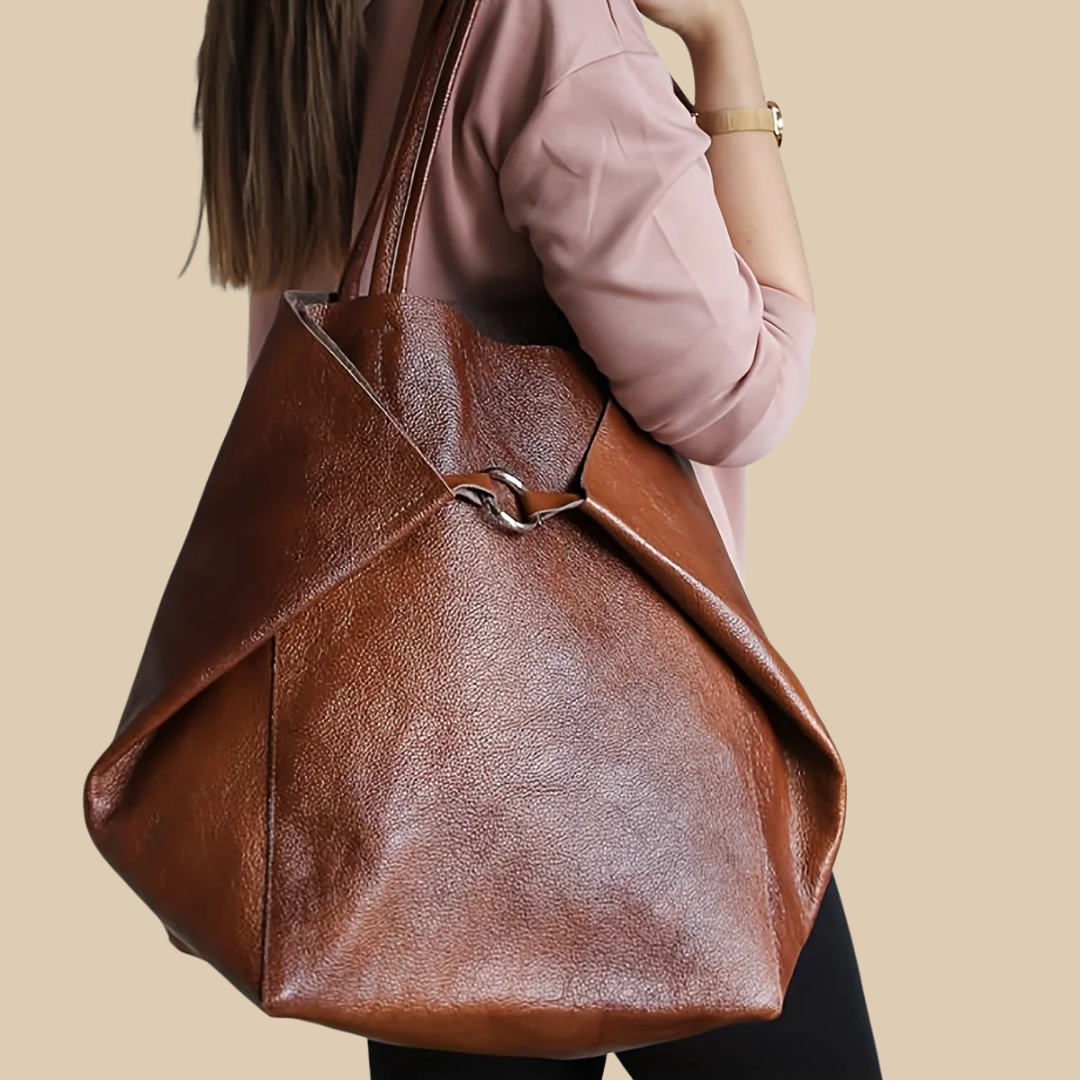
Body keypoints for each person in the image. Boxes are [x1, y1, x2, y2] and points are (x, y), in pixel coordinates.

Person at [192, 0, 881, 1075]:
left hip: (410, 774)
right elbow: (746, 392)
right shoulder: (542, 19)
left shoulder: (276, 18)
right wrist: (725, 44)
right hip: (638, 756)